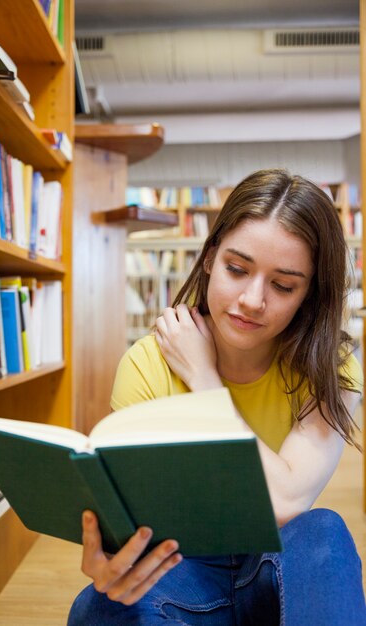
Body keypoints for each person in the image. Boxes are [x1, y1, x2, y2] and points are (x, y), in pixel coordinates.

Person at [68, 169, 366, 625]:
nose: (251, 299)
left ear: (308, 295)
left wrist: (205, 379)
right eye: (236, 269)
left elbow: (285, 502)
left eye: (282, 285)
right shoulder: (148, 364)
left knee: (323, 533)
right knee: (96, 605)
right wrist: (109, 562)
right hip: (179, 573)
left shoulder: (332, 371)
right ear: (209, 259)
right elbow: (127, 517)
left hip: (274, 572)